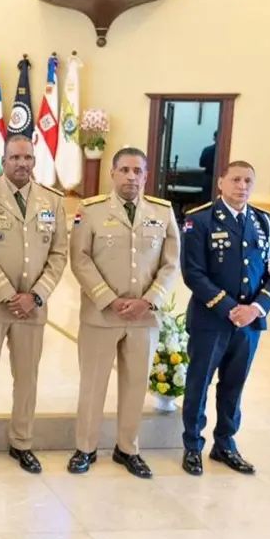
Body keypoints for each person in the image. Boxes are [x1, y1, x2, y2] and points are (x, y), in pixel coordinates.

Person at [66, 147, 180, 478]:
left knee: (135, 385)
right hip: (102, 315)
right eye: (125, 170)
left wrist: (149, 300)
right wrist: (108, 299)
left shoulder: (162, 212)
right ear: (113, 174)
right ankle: (85, 447)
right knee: (93, 384)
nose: (131, 176)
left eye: (138, 171)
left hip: (144, 317)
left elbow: (171, 263)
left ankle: (128, 448)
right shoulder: (91, 211)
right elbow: (80, 258)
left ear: (146, 175)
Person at [0, 135, 67, 475]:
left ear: (34, 161)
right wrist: (9, 295)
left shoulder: (52, 201)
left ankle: (21, 442)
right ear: (3, 161)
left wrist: (35, 296)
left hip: (32, 307)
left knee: (27, 378)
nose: (22, 163)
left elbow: (59, 254)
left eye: (27, 158)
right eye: (14, 158)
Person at [180, 160, 270, 476]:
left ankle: (225, 444)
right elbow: (193, 273)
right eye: (236, 180)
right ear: (221, 182)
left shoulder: (265, 223)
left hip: (249, 324)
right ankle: (192, 446)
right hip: (211, 320)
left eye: (248, 181)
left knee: (234, 386)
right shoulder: (199, 221)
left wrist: (255, 309)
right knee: (199, 383)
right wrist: (229, 308)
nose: (242, 186)